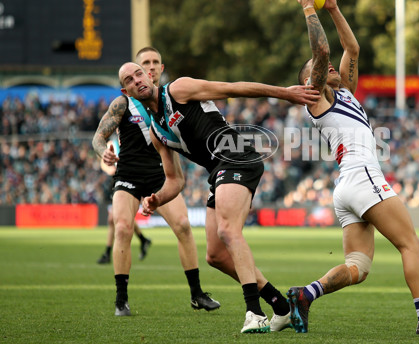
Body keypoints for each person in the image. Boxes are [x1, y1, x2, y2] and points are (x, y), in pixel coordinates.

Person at [286, 0, 419, 336]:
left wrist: (333, 8)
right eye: (319, 70)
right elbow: (321, 53)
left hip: (348, 187)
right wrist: (308, 6)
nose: (329, 67)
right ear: (312, 81)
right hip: (363, 176)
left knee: (358, 267)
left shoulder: (344, 94)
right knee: (410, 244)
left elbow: (350, 48)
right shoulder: (316, 95)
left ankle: (305, 295)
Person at [117, 60, 320, 333]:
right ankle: (282, 307)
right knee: (215, 256)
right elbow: (176, 181)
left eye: (139, 73)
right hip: (220, 171)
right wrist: (156, 199)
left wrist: (286, 93)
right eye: (129, 80)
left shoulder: (178, 89)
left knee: (228, 230)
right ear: (126, 92)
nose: (137, 80)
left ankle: (254, 312)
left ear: (150, 76)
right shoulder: (156, 132)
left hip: (236, 156)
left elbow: (233, 88)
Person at [92, 47, 220, 316]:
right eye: (143, 65)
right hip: (127, 174)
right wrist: (102, 150)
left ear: (160, 69)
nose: (148, 69)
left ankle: (197, 294)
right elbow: (98, 136)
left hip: (159, 175)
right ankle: (121, 300)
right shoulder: (124, 102)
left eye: (153, 63)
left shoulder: (168, 98)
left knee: (184, 226)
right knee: (123, 227)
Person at [96, 141, 152, 265]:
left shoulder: (128, 136)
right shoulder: (113, 141)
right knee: (115, 218)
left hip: (127, 178)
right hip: (119, 178)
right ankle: (143, 240)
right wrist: (111, 167)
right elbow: (103, 163)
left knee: (115, 218)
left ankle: (108, 253)